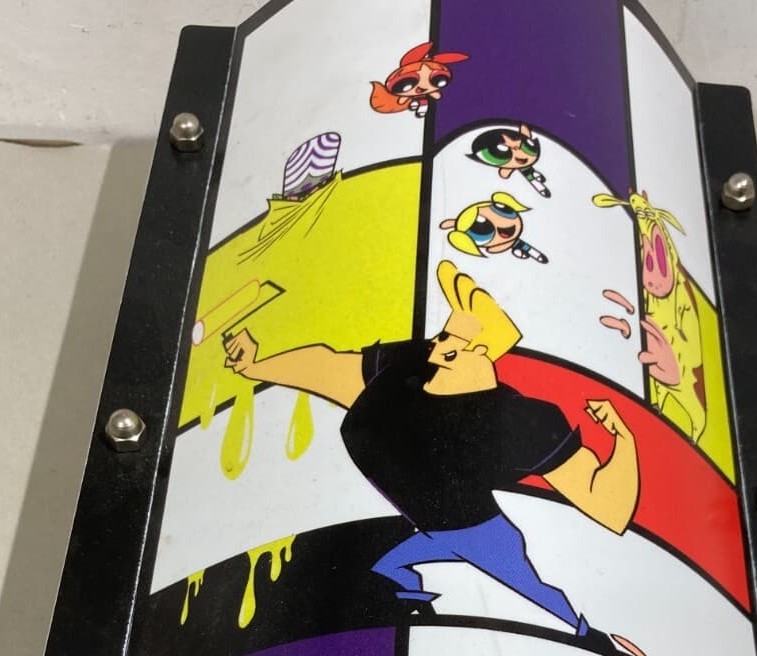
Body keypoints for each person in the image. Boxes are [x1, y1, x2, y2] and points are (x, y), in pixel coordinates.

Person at [223, 260, 639, 636]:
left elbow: (610, 508)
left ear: (483, 352)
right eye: (443, 337)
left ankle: (583, 633)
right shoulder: (404, 373)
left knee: (536, 596)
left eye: (457, 342)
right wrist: (255, 366)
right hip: (437, 525)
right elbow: (325, 365)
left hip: (481, 536)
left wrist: (624, 438)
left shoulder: (524, 422)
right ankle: (413, 598)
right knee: (388, 566)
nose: (440, 348)